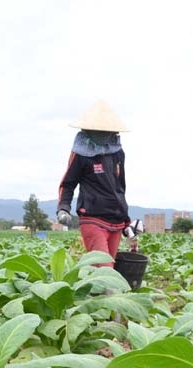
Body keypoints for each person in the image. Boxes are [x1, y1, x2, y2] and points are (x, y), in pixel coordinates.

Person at [57, 100, 142, 267]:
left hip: (116, 221)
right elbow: (68, 183)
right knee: (105, 271)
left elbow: (119, 188)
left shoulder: (117, 153)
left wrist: (126, 221)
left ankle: (90, 291)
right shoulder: (81, 154)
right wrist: (63, 207)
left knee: (107, 272)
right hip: (93, 219)